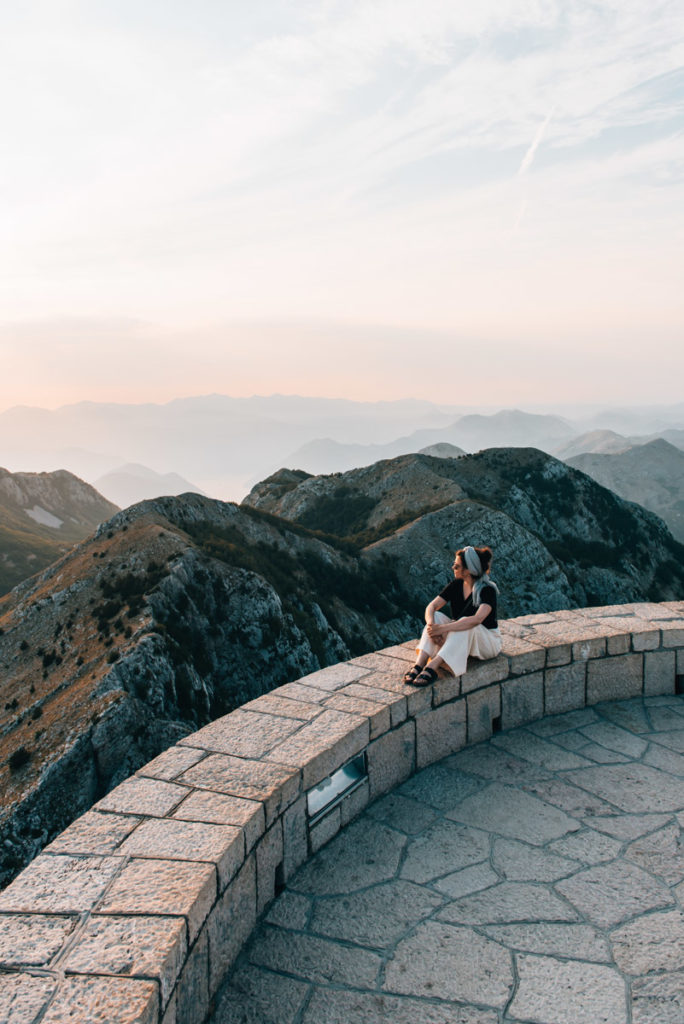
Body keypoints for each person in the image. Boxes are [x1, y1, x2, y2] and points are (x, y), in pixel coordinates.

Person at [403, 545, 501, 686]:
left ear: (467, 571)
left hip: (488, 642)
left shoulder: (487, 590)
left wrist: (443, 629)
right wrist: (432, 627)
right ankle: (420, 663)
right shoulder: (456, 585)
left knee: (467, 621)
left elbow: (477, 619)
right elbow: (432, 606)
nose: (452, 568)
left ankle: (433, 666)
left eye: (456, 566)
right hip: (461, 635)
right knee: (436, 615)